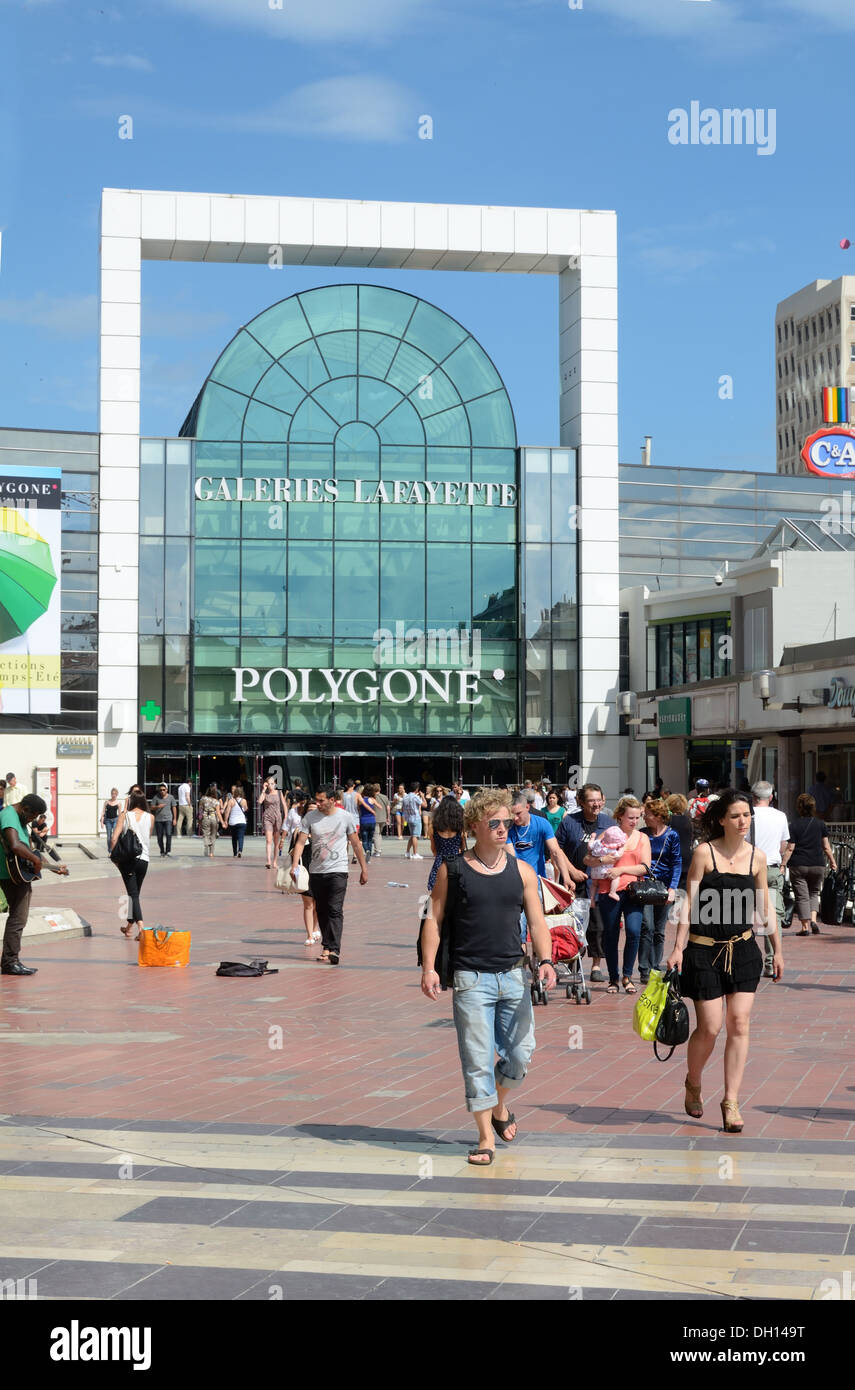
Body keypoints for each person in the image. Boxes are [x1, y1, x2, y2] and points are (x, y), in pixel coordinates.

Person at [420, 789, 557, 1166]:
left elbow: (538, 921)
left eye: (506, 822)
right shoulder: (454, 869)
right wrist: (429, 967)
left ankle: (498, 1107)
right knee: (478, 1059)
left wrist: (545, 959)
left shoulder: (523, 871)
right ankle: (484, 1138)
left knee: (520, 1053)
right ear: (475, 827)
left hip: (513, 975)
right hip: (470, 979)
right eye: (493, 823)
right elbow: (433, 918)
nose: (502, 828)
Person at [666, 789, 783, 1134]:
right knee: (711, 1027)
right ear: (720, 820)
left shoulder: (757, 858)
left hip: (743, 949)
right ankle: (694, 1081)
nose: (743, 821)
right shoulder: (704, 853)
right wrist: (677, 947)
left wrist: (777, 950)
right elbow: (687, 903)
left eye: (747, 815)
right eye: (735, 815)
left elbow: (765, 908)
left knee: (740, 1022)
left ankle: (731, 1101)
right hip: (703, 951)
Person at [289, 784, 367, 966]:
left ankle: (334, 949)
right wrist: (295, 866)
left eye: (321, 800)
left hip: (338, 870)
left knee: (335, 909)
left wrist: (364, 868)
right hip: (317, 871)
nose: (318, 803)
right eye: (317, 800)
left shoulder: (345, 817)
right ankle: (326, 946)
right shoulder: (310, 817)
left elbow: (356, 844)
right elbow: (300, 842)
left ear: (332, 800)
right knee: (322, 910)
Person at [586, 795, 652, 995]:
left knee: (633, 931)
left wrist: (621, 871)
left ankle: (627, 976)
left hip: (633, 892)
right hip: (608, 891)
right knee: (611, 934)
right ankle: (613, 978)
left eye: (637, 817)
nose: (634, 821)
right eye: (630, 817)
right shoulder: (609, 833)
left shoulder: (642, 838)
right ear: (620, 817)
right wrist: (603, 860)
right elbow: (588, 858)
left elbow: (645, 867)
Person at [1, 794, 68, 975]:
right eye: (32, 815)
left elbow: (32, 851)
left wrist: (54, 868)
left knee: (18, 917)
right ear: (24, 808)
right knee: (18, 917)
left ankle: (10, 960)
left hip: (17, 874)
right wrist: (33, 859)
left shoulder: (21, 819)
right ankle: (9, 961)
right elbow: (15, 845)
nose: (32, 819)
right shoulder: (9, 816)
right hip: (10, 874)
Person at [556, 783, 616, 981]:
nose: (596, 804)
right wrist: (571, 871)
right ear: (581, 801)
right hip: (572, 883)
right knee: (573, 924)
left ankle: (597, 966)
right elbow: (557, 850)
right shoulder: (569, 822)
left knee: (597, 925)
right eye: (591, 800)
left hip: (599, 883)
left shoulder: (608, 822)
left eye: (599, 799)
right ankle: (572, 960)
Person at [639, 797, 682, 985]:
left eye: (647, 814)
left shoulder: (672, 835)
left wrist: (673, 888)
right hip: (645, 886)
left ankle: (656, 965)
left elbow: (676, 862)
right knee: (646, 927)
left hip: (664, 887)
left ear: (657, 816)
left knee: (659, 929)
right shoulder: (642, 834)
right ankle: (644, 968)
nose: (644, 817)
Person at [750, 781, 790, 976]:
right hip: (772, 868)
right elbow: (783, 845)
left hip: (749, 867)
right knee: (772, 917)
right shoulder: (780, 816)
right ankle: (771, 961)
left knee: (741, 914)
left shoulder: (747, 815)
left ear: (753, 797)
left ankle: (743, 956)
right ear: (771, 796)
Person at [787, 793, 836, 935]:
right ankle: (814, 920)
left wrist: (783, 864)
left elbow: (790, 847)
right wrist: (832, 862)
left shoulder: (794, 825)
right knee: (814, 892)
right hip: (818, 864)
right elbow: (826, 846)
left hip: (799, 864)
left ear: (799, 808)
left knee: (802, 896)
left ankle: (805, 927)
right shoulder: (821, 824)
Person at [508, 793, 578, 890]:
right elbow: (511, 858)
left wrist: (566, 877)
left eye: (518, 813)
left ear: (527, 807)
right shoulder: (508, 828)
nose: (515, 818)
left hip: (538, 881)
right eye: (512, 814)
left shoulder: (542, 823)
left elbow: (556, 851)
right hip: (515, 881)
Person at [110, 791, 154, 941]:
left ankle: (141, 928)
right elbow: (147, 837)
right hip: (145, 860)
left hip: (129, 860)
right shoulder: (151, 817)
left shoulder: (125, 815)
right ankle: (129, 928)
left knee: (133, 895)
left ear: (131, 801)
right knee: (133, 895)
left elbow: (114, 838)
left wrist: (115, 859)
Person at [427, 794, 467, 892]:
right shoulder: (460, 828)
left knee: (438, 895)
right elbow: (463, 847)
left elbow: (433, 849)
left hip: (440, 862)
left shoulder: (434, 827)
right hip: (456, 862)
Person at [665, 793, 694, 893]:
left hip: (672, 859)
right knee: (682, 892)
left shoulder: (668, 820)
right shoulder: (687, 820)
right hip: (686, 858)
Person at [259, 777, 287, 870]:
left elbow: (284, 805)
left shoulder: (279, 792)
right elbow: (259, 801)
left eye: (272, 783)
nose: (270, 785)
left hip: (277, 818)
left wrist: (286, 817)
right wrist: (263, 789)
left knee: (276, 842)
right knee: (268, 840)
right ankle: (268, 861)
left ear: (274, 784)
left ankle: (275, 861)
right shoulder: (265, 793)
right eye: (268, 784)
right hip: (267, 818)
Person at [150, 783, 177, 857]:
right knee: (159, 836)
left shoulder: (171, 797)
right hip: (158, 820)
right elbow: (151, 807)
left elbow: (174, 807)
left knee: (168, 834)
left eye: (163, 790)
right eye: (160, 790)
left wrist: (174, 819)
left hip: (168, 819)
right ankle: (162, 851)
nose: (162, 791)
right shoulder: (156, 797)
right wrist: (158, 806)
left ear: (167, 790)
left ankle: (168, 851)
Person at [222, 784, 248, 857]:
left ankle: (234, 853)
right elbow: (246, 809)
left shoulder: (231, 801)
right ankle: (240, 850)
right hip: (242, 822)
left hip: (233, 822)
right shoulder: (244, 801)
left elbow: (227, 812)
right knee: (241, 837)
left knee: (234, 838)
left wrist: (225, 821)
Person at [355, 782, 378, 862]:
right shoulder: (372, 800)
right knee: (370, 839)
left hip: (363, 821)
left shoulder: (360, 800)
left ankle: (366, 851)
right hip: (372, 820)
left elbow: (358, 809)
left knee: (364, 839)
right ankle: (369, 857)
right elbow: (380, 807)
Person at [198, 785, 223, 858]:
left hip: (205, 818)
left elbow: (200, 810)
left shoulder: (203, 799)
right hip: (213, 818)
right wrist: (222, 822)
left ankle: (207, 844)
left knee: (206, 834)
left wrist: (199, 820)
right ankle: (211, 853)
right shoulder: (216, 801)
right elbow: (218, 813)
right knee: (213, 835)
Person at [402, 782, 426, 859]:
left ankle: (407, 852)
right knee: (415, 836)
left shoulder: (405, 797)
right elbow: (425, 805)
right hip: (416, 818)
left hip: (409, 818)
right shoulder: (415, 797)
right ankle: (415, 853)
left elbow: (402, 808)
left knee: (412, 836)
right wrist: (422, 797)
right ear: (417, 789)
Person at [373, 785, 390, 858]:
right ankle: (378, 849)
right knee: (379, 834)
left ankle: (377, 851)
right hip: (383, 818)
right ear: (380, 789)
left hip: (375, 818)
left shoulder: (373, 797)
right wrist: (388, 817)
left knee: (376, 835)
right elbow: (388, 808)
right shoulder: (385, 797)